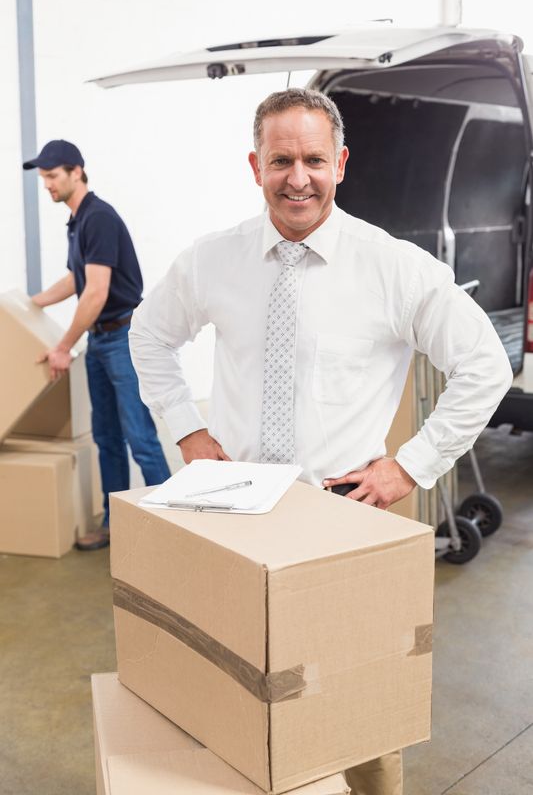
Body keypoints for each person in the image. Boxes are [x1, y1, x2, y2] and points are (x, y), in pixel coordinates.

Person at [128, 89, 512, 794]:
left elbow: (484, 364)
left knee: (357, 702)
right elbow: (149, 335)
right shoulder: (213, 261)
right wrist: (187, 427)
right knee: (241, 678)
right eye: (281, 160)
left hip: (344, 514)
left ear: (340, 163)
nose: (296, 177)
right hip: (237, 511)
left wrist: (411, 465)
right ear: (254, 166)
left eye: (312, 159)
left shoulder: (390, 267)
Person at [23, 140, 170, 550]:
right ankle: (115, 524)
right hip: (100, 338)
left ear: (76, 172)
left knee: (139, 436)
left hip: (122, 337)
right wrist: (28, 305)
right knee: (106, 437)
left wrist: (62, 346)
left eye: (52, 177)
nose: (47, 185)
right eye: (43, 179)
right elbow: (76, 279)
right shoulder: (77, 221)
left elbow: (96, 292)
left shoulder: (99, 217)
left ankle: (177, 530)